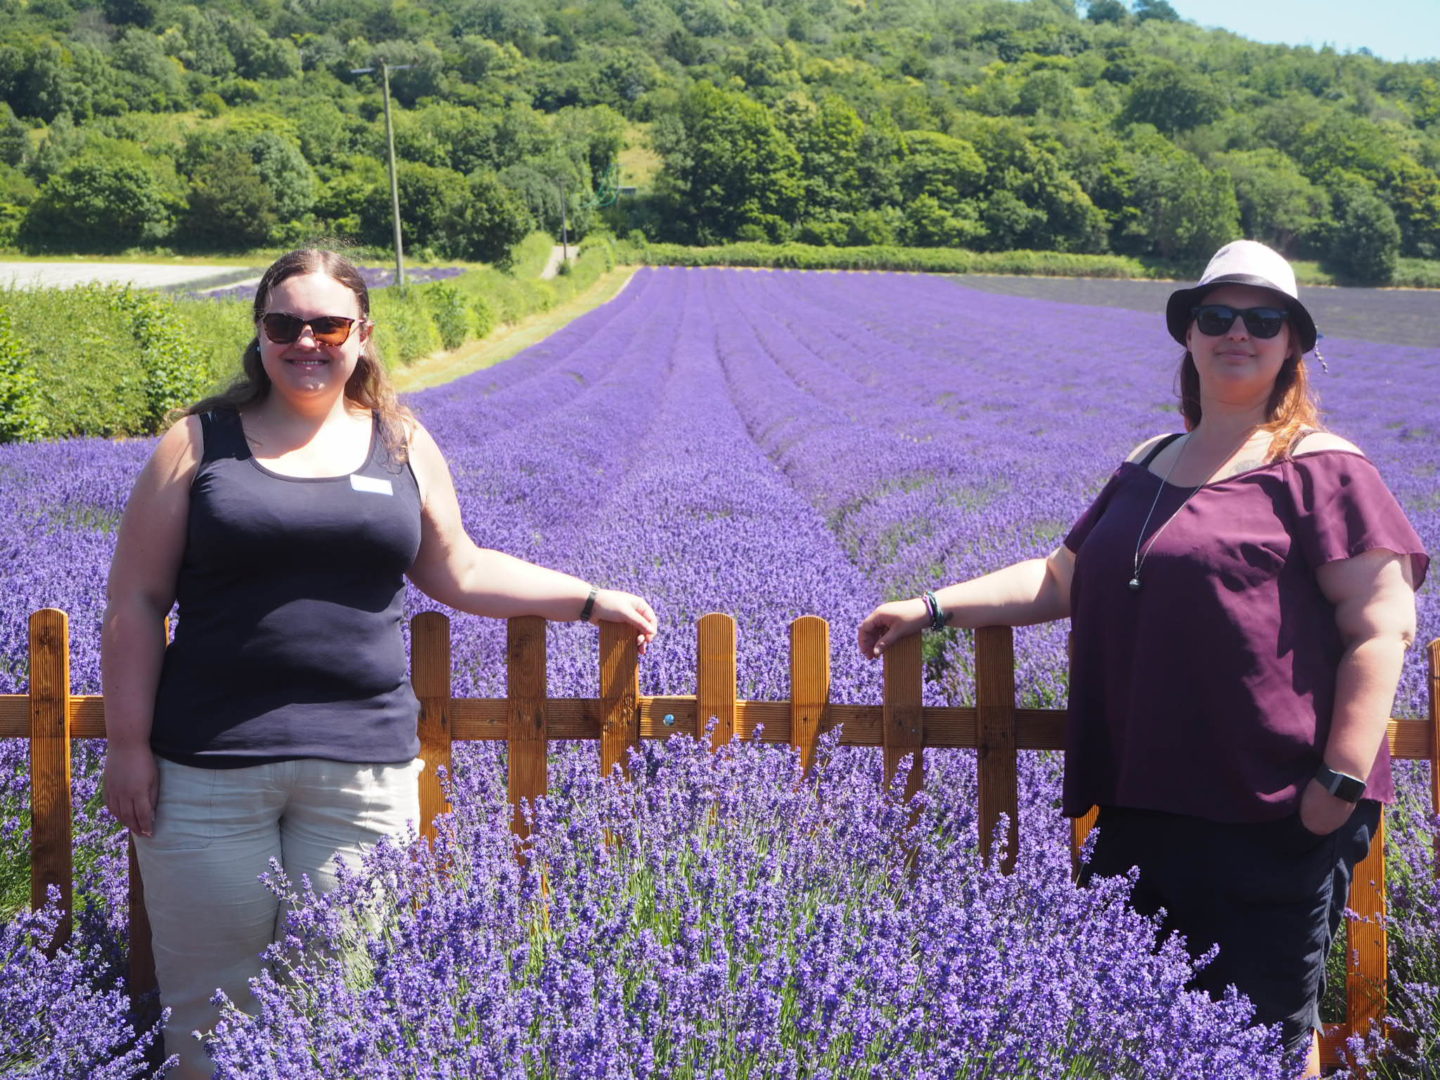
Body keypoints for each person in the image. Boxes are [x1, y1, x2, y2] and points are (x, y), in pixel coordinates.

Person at [857, 240, 1427, 1074]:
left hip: (1268, 806)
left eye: (1263, 319)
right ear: (1189, 335)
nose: (1239, 333)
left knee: (1265, 1037)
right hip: (1144, 799)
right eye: (1217, 316)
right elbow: (1060, 578)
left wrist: (1337, 785)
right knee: (1145, 1028)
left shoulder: (1322, 469)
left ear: (1293, 344)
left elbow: (1383, 625)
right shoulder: (1151, 463)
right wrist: (933, 606)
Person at [101, 248, 659, 1079]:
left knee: (336, 1007)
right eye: (284, 324)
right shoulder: (196, 443)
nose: (306, 341)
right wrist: (128, 746)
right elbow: (136, 603)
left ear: (362, 334)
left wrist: (585, 597)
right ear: (259, 335)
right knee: (211, 1012)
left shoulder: (399, 441)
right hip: (207, 768)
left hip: (361, 773)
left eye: (328, 325)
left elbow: (458, 569)